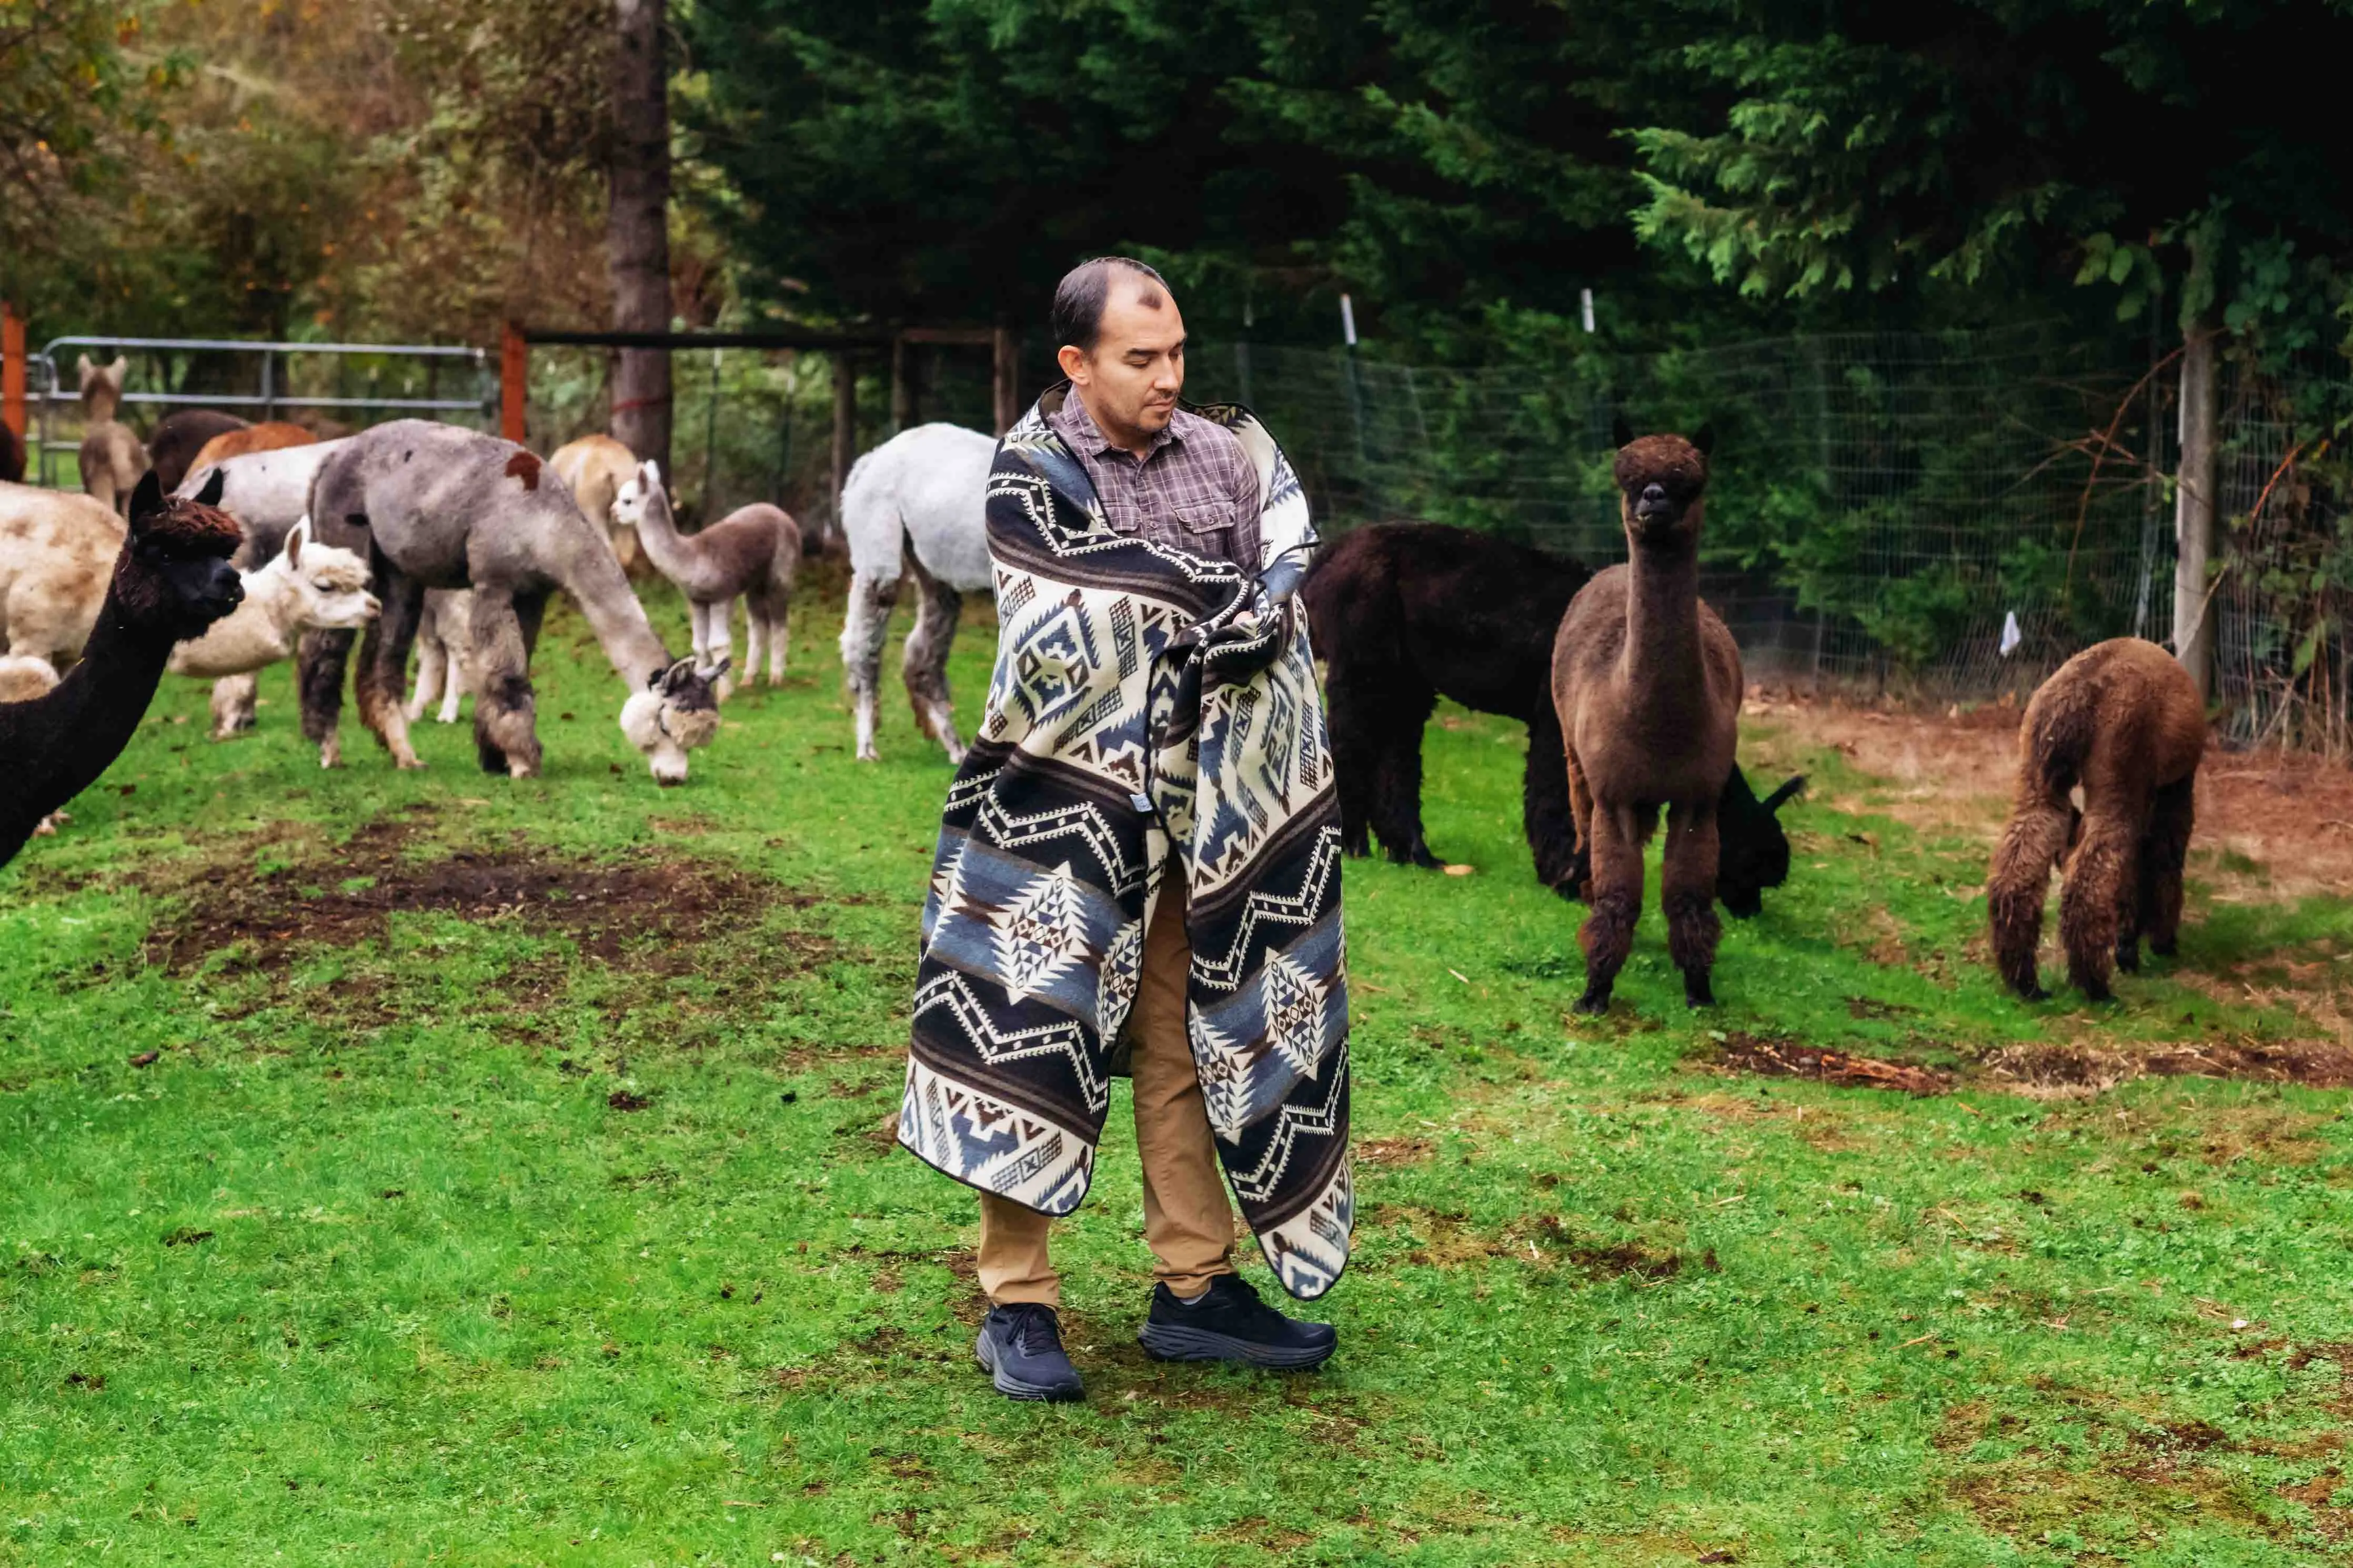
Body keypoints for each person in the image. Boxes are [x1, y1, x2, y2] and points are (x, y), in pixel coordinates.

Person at [895, 257, 1355, 1401]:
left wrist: (1247, 618)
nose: (1167, 379)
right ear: (1076, 363)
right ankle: (1018, 1301)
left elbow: (1275, 587)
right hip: (1061, 806)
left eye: (1178, 355)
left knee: (1192, 1042)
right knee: (1026, 1033)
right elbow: (1076, 607)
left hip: (1211, 823)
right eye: (1140, 360)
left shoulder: (1224, 457)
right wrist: (1218, 610)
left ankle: (1193, 1289)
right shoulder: (1030, 472)